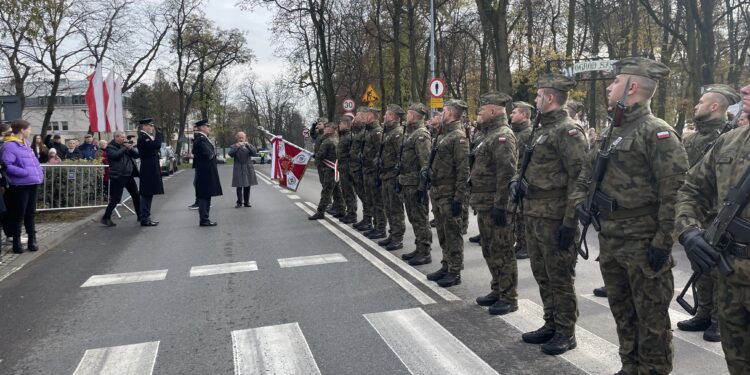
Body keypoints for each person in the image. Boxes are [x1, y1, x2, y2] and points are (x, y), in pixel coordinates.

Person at [571, 57, 688, 374]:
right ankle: (630, 366)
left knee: (651, 321)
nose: (609, 86)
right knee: (622, 312)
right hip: (611, 240)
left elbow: (674, 193)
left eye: (615, 81)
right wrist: (581, 200)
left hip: (642, 243)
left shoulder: (657, 133)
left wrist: (663, 243)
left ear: (632, 87)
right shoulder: (612, 131)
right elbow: (585, 174)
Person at [675, 81, 750, 375]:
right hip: (730, 277)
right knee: (738, 363)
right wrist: (688, 231)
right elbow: (690, 188)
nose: (744, 89)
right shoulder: (730, 141)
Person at [510, 73, 587, 356]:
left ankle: (566, 332)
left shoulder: (568, 131)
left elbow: (579, 180)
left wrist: (570, 222)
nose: (535, 100)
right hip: (534, 214)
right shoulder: (540, 129)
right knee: (542, 274)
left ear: (550, 98)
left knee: (560, 277)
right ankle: (551, 322)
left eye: (539, 95)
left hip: (555, 218)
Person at [471, 92, 519, 315]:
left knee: (502, 250)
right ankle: (498, 288)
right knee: (490, 249)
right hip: (484, 203)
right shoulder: (487, 136)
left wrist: (502, 205)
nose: (478, 114)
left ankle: (509, 297)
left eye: (481, 110)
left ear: (492, 111)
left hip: (495, 204)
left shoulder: (502, 135)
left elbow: (506, 174)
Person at [425, 99, 470, 288]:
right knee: (443, 233)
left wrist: (459, 198)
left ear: (450, 113)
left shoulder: (458, 137)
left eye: (443, 111)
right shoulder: (443, 135)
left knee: (453, 234)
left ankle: (455, 271)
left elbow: (463, 170)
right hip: (438, 191)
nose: (440, 114)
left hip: (449, 192)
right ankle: (446, 264)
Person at [1, 119, 44, 253]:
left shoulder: (26, 143)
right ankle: (17, 242)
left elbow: (34, 162)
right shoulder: (10, 146)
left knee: (31, 213)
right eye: (29, 129)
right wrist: (24, 173)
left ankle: (32, 240)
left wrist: (39, 174)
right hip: (20, 185)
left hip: (32, 183)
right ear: (22, 130)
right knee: (18, 214)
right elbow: (7, 165)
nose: (30, 132)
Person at [399, 103, 433, 266]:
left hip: (415, 184)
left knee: (420, 218)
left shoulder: (421, 135)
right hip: (408, 182)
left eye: (408, 113)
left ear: (414, 115)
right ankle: (419, 247)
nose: (406, 115)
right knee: (414, 218)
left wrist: (422, 186)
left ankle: (425, 251)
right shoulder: (411, 133)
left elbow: (425, 163)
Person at [378, 104, 407, 251]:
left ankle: (397, 238)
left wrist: (397, 176)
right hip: (385, 175)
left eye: (387, 115)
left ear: (393, 117)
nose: (384, 117)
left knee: (395, 209)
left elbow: (400, 156)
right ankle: (392, 234)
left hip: (393, 176)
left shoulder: (398, 133)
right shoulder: (388, 132)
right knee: (388, 207)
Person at [509, 101, 535, 260]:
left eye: (514, 112)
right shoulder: (517, 133)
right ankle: (520, 242)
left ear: (524, 115)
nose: (511, 115)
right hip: (516, 177)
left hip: (524, 178)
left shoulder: (528, 134)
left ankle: (525, 245)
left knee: (523, 214)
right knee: (518, 213)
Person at [100, 131, 140, 226]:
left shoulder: (124, 146)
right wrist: (124, 147)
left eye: (124, 137)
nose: (124, 139)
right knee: (116, 199)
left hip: (128, 175)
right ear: (116, 137)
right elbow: (116, 156)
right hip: (119, 176)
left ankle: (140, 215)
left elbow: (136, 155)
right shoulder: (110, 147)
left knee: (136, 195)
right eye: (122, 137)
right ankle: (106, 217)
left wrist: (131, 148)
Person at [361, 107, 387, 239]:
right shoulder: (369, 131)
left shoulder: (377, 132)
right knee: (371, 200)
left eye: (366, 114)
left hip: (374, 172)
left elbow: (380, 152)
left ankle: (381, 228)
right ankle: (376, 226)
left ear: (372, 116)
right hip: (367, 170)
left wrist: (375, 165)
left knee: (378, 201)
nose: (364, 117)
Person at [192, 119, 222, 226]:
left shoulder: (202, 138)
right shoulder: (200, 139)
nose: (208, 128)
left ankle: (205, 218)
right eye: (207, 126)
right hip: (205, 172)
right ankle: (204, 219)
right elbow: (208, 153)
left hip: (205, 171)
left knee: (206, 195)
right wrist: (212, 155)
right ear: (202, 127)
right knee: (204, 195)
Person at [309, 122, 341, 220]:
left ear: (331, 129)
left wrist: (314, 155)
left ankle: (320, 212)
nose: (325, 129)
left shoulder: (327, 141)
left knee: (326, 191)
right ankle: (342, 210)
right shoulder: (337, 139)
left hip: (329, 169)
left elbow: (321, 155)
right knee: (337, 191)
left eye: (327, 127)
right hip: (336, 168)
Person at [137, 117, 164, 226]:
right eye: (150, 126)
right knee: (146, 194)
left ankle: (146, 217)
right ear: (144, 126)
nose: (152, 128)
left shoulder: (148, 137)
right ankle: (145, 218)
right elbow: (156, 145)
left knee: (149, 194)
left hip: (150, 168)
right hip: (148, 169)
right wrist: (159, 135)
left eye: (152, 126)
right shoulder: (143, 138)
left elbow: (156, 148)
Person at [351, 109, 373, 231]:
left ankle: (369, 220)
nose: (355, 117)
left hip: (363, 168)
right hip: (358, 168)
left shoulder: (367, 131)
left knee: (367, 197)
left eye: (357, 115)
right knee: (363, 196)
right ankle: (367, 218)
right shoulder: (360, 131)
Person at [336, 114, 357, 224]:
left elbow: (352, 154)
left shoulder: (349, 137)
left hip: (347, 168)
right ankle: (349, 212)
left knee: (349, 192)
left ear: (346, 124)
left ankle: (352, 214)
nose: (339, 125)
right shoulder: (343, 136)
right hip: (343, 168)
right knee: (345, 191)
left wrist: (350, 169)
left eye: (341, 123)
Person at [228, 131, 257, 208]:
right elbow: (230, 154)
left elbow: (254, 153)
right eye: (239, 138)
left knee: (247, 185)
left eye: (242, 137)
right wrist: (237, 147)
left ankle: (247, 202)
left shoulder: (249, 145)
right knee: (239, 185)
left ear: (245, 138)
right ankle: (239, 202)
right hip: (238, 168)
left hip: (248, 168)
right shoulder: (233, 146)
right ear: (237, 138)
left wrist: (248, 145)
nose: (241, 139)